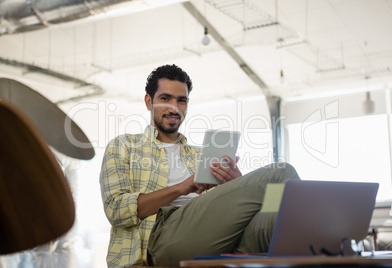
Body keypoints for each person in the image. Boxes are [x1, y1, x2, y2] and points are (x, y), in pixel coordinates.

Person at [99, 64, 301, 267]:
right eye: (165, 98)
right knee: (281, 173)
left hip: (214, 244)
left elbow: (216, 209)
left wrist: (237, 183)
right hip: (159, 245)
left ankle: (317, 247)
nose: (174, 108)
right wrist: (181, 188)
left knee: (276, 219)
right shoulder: (124, 146)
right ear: (148, 101)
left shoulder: (200, 155)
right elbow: (116, 210)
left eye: (182, 100)